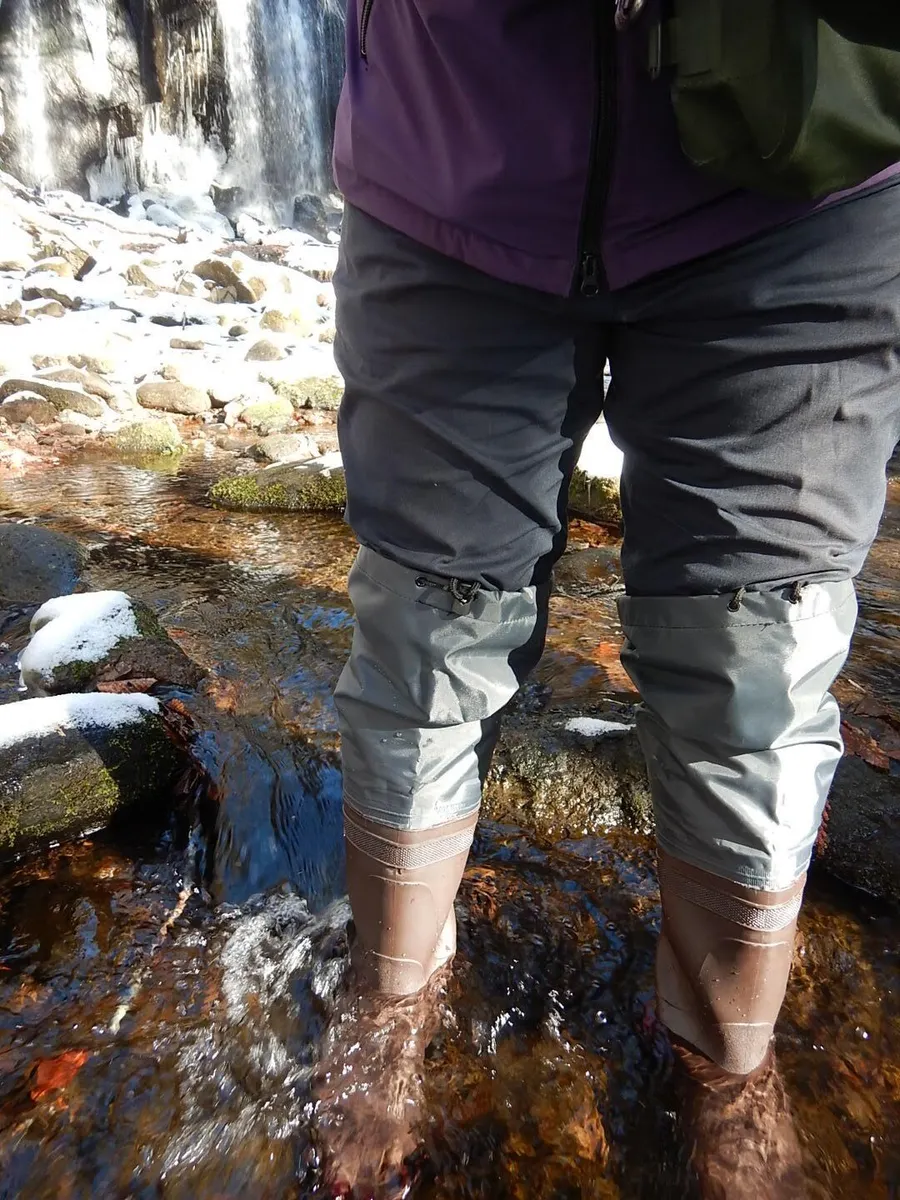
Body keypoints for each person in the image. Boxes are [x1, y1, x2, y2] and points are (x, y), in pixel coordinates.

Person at [315, 0, 900, 1194]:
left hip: (799, 183)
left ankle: (727, 1067)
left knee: (758, 659)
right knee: (426, 632)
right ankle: (388, 1000)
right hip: (452, 159)